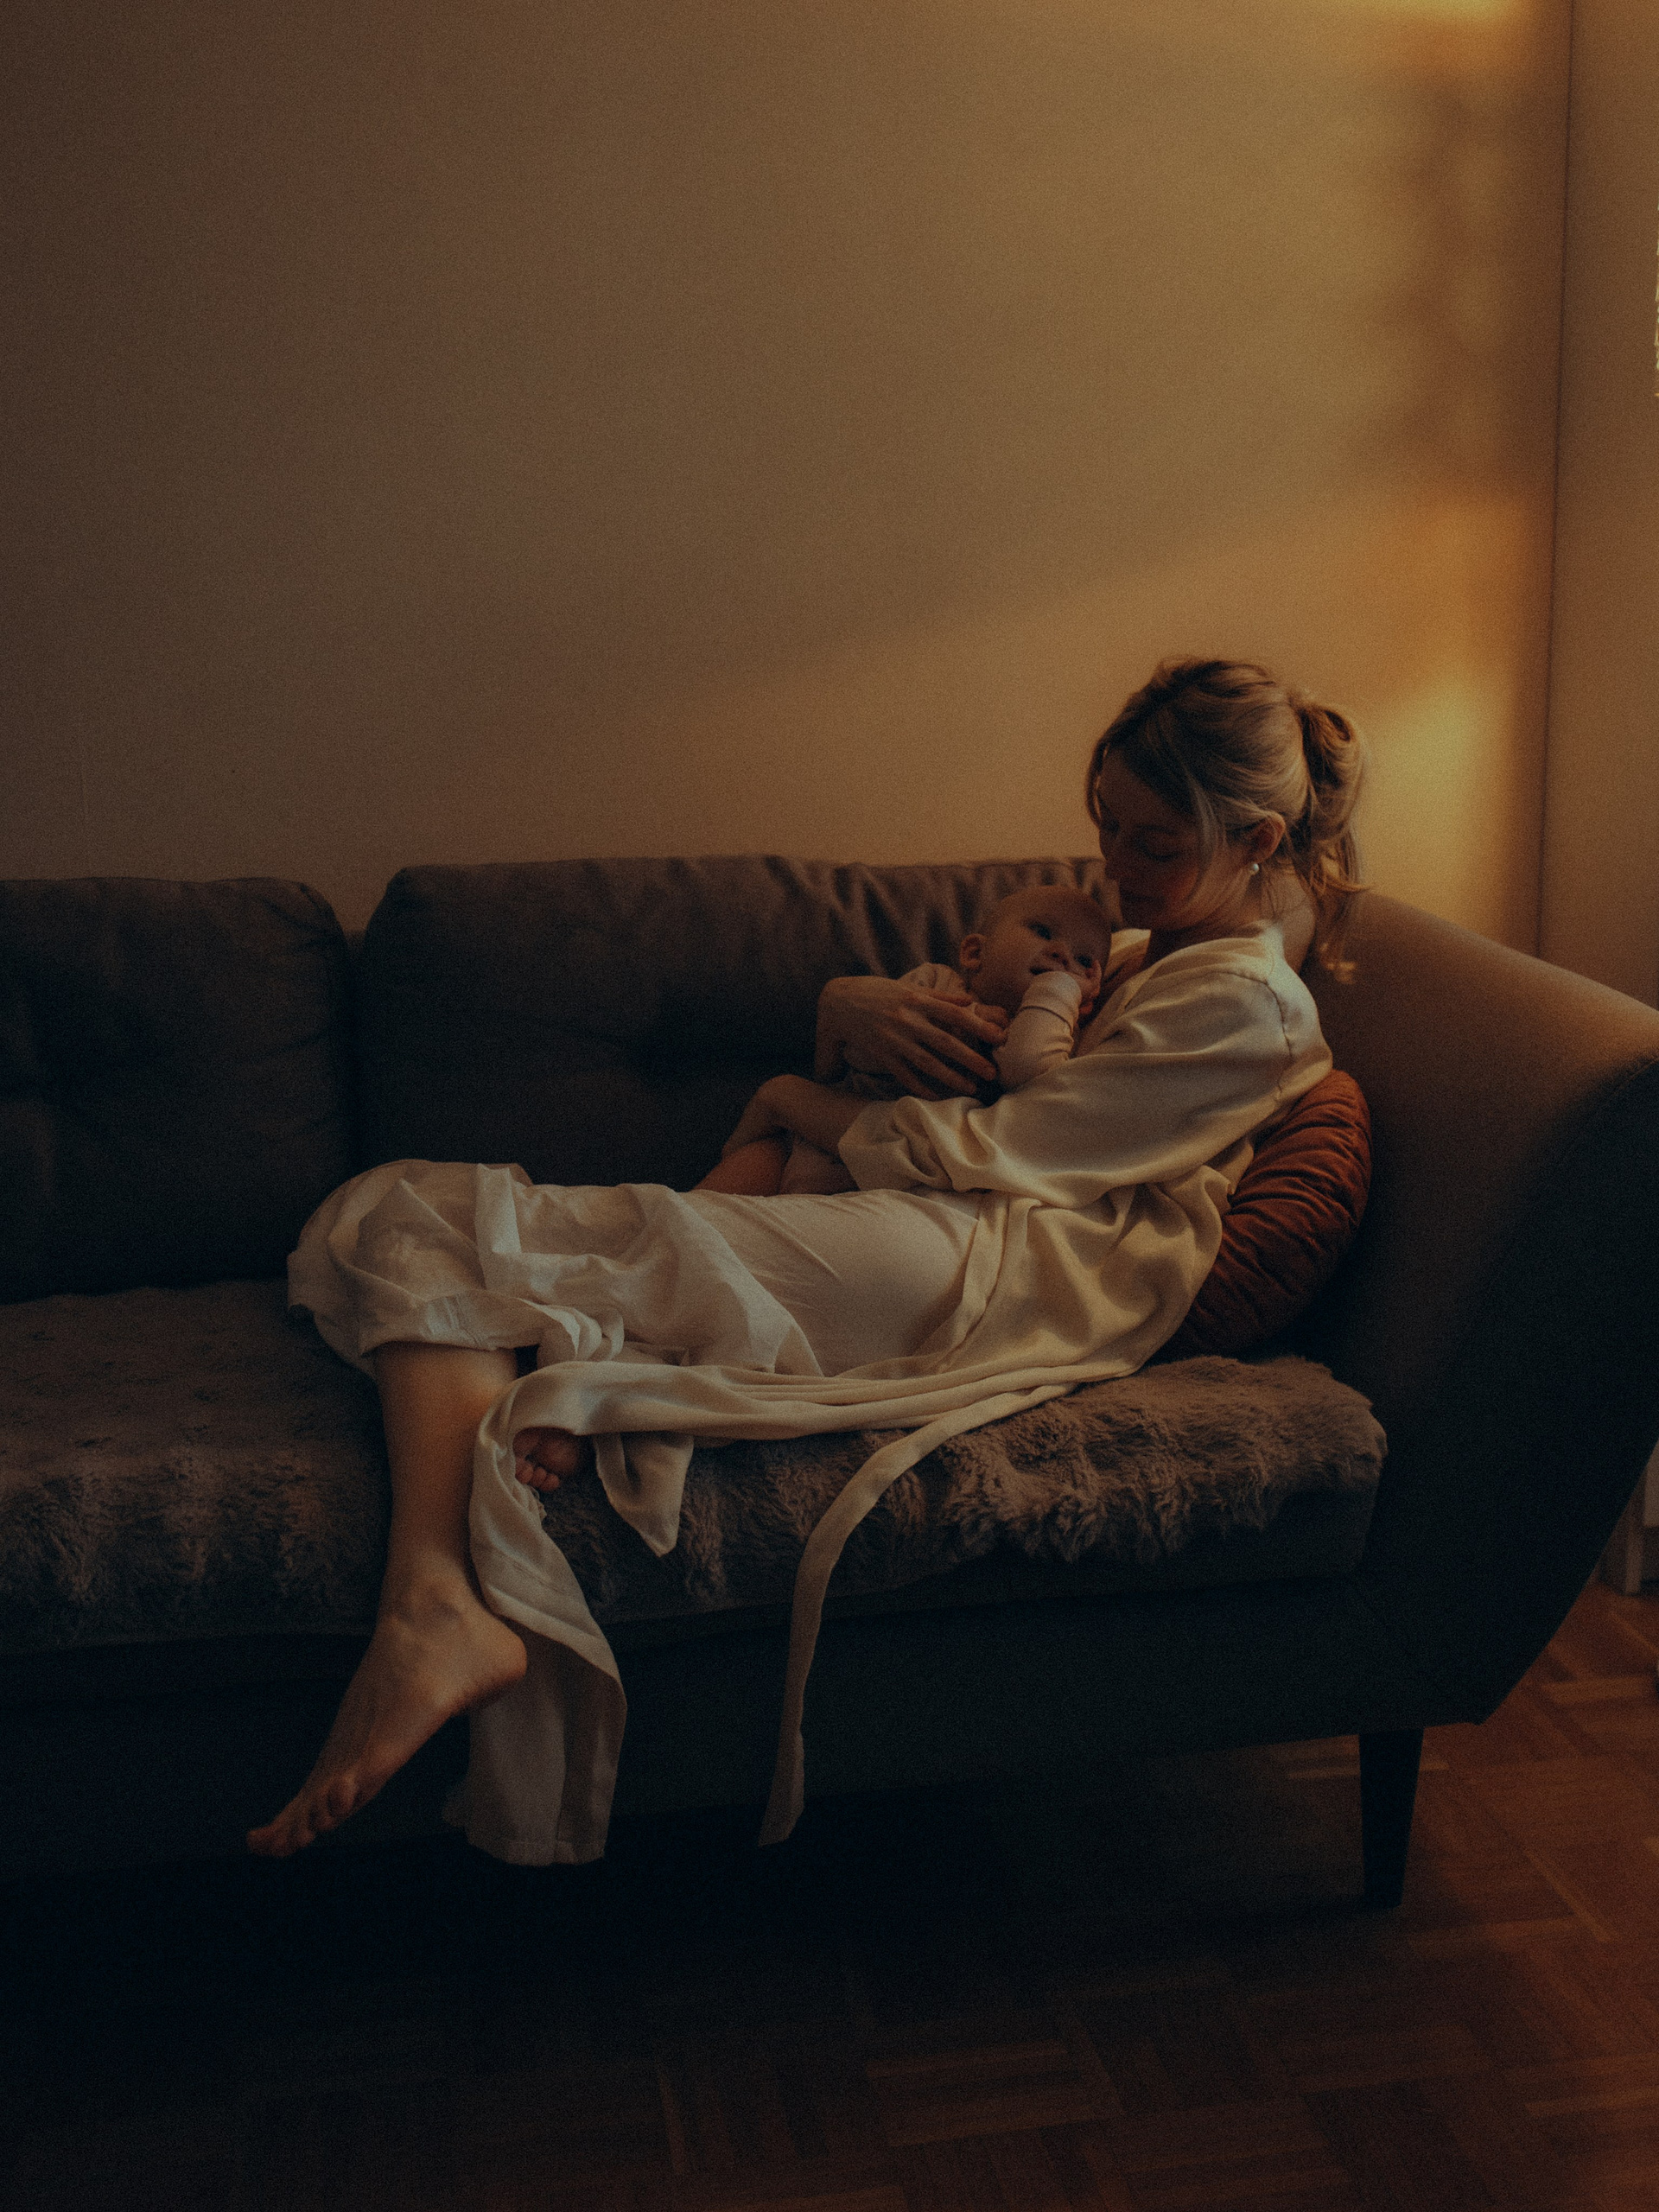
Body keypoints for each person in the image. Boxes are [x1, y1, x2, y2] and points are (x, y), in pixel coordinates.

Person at [248, 657, 1365, 1866]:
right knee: (405, 1218)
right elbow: (989, 1056)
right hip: (933, 1224)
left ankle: (434, 1595)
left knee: (407, 1214)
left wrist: (793, 1094)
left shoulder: (1246, 1003)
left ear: (1258, 840)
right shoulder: (1151, 950)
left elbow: (1008, 1149)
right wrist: (852, 1007)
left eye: (1153, 844)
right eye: (1108, 828)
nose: (1114, 868)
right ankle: (440, 1596)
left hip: (977, 1264)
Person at [775, 880, 1119, 1193]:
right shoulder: (933, 984)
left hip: (915, 1175)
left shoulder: (1056, 1033)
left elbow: (1028, 1069)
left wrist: (1057, 990)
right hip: (824, 1135)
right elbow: (860, 1053)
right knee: (755, 1165)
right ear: (975, 953)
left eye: (1083, 959)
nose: (1062, 953)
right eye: (1042, 931)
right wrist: (954, 1025)